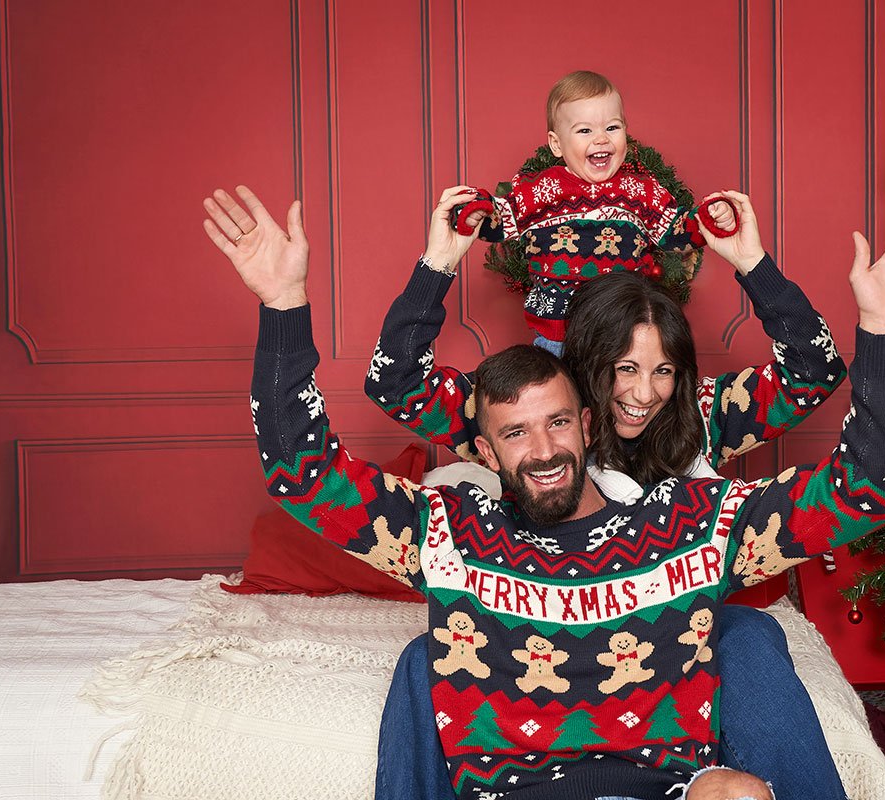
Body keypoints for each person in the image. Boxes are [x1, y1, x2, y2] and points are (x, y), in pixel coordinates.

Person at [202, 184, 885, 800]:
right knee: (422, 656)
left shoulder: (691, 520)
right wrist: (283, 307)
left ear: (584, 421)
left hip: (672, 741)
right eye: (514, 433)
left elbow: (865, 488)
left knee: (748, 663)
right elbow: (304, 472)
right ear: (484, 445)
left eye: (558, 424)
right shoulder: (451, 530)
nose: (541, 450)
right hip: (511, 765)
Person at [368, 188, 859, 799]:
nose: (644, 394)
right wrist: (438, 264)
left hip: (669, 631)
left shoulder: (699, 414)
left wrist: (753, 263)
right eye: (624, 369)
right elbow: (395, 382)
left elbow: (815, 372)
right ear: (587, 366)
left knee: (752, 635)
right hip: (531, 621)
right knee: (426, 656)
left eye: (662, 370)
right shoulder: (543, 423)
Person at [452, 70, 737, 353]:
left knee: (620, 396)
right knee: (557, 397)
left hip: (623, 335)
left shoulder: (639, 190)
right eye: (585, 130)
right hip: (557, 338)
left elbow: (674, 230)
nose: (601, 139)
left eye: (612, 128)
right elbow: (501, 218)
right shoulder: (541, 189)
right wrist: (476, 210)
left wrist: (709, 218)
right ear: (556, 144)